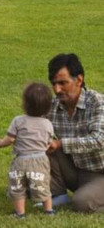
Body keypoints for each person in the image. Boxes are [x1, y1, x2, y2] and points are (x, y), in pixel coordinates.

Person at [46, 53, 104, 213]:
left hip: (101, 172)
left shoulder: (98, 103)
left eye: (63, 83)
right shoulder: (52, 105)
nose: (57, 89)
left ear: (78, 80)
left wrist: (61, 143)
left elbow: (99, 140)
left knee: (81, 203)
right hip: (78, 170)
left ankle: (86, 196)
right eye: (54, 84)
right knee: (42, 142)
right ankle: (57, 197)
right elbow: (33, 126)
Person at [0, 82, 55, 218]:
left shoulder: (18, 121)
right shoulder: (48, 124)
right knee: (43, 185)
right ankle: (49, 210)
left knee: (18, 187)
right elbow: (49, 142)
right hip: (41, 160)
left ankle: (20, 213)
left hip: (21, 160)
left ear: (25, 103)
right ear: (48, 106)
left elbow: (10, 139)